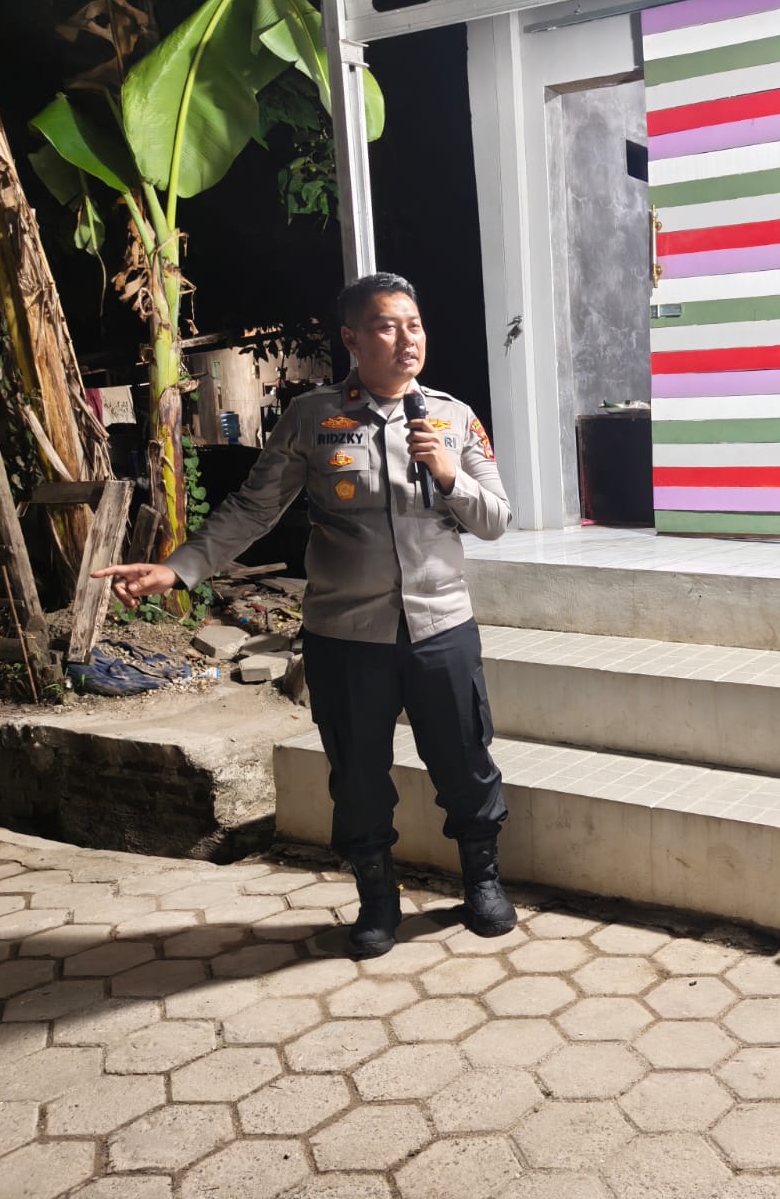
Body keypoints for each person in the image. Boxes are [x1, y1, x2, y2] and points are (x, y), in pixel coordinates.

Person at [95, 273, 515, 959]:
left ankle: (483, 880)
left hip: (442, 629)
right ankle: (377, 899)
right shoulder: (312, 417)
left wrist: (448, 473)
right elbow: (253, 509)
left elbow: (495, 519)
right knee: (357, 776)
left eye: (414, 325)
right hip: (346, 637)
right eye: (387, 326)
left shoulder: (454, 417)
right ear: (352, 338)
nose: (406, 339)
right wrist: (179, 568)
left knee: (466, 762)